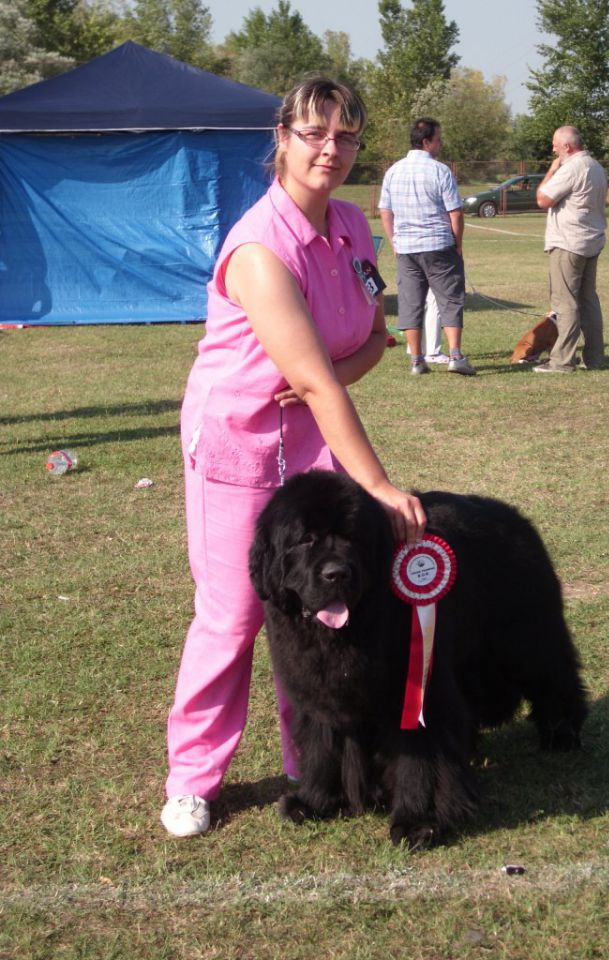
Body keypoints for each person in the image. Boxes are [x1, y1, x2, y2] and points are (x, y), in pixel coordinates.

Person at [161, 78, 426, 838]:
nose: (330, 150)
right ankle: (193, 777)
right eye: (314, 133)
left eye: (345, 137)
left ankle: (312, 759)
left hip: (315, 435)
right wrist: (376, 483)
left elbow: (374, 336)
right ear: (282, 135)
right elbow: (305, 374)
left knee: (323, 605)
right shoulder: (257, 247)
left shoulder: (352, 226)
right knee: (237, 613)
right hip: (239, 444)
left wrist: (329, 379)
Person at [379, 118, 475, 376]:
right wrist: (458, 244)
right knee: (450, 300)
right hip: (439, 246)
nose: (440, 144)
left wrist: (394, 242)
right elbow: (455, 212)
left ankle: (416, 361)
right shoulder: (440, 171)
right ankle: (455, 356)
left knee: (410, 303)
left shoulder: (393, 171)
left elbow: (385, 212)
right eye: (438, 139)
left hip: (406, 249)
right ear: (426, 142)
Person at [534, 126, 608, 373]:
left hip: (568, 242)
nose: (552, 149)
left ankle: (562, 361)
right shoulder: (596, 167)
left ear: (567, 146)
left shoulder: (571, 167)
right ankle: (595, 357)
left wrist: (552, 169)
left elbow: (542, 199)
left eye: (555, 144)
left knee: (565, 301)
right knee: (588, 299)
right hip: (591, 240)